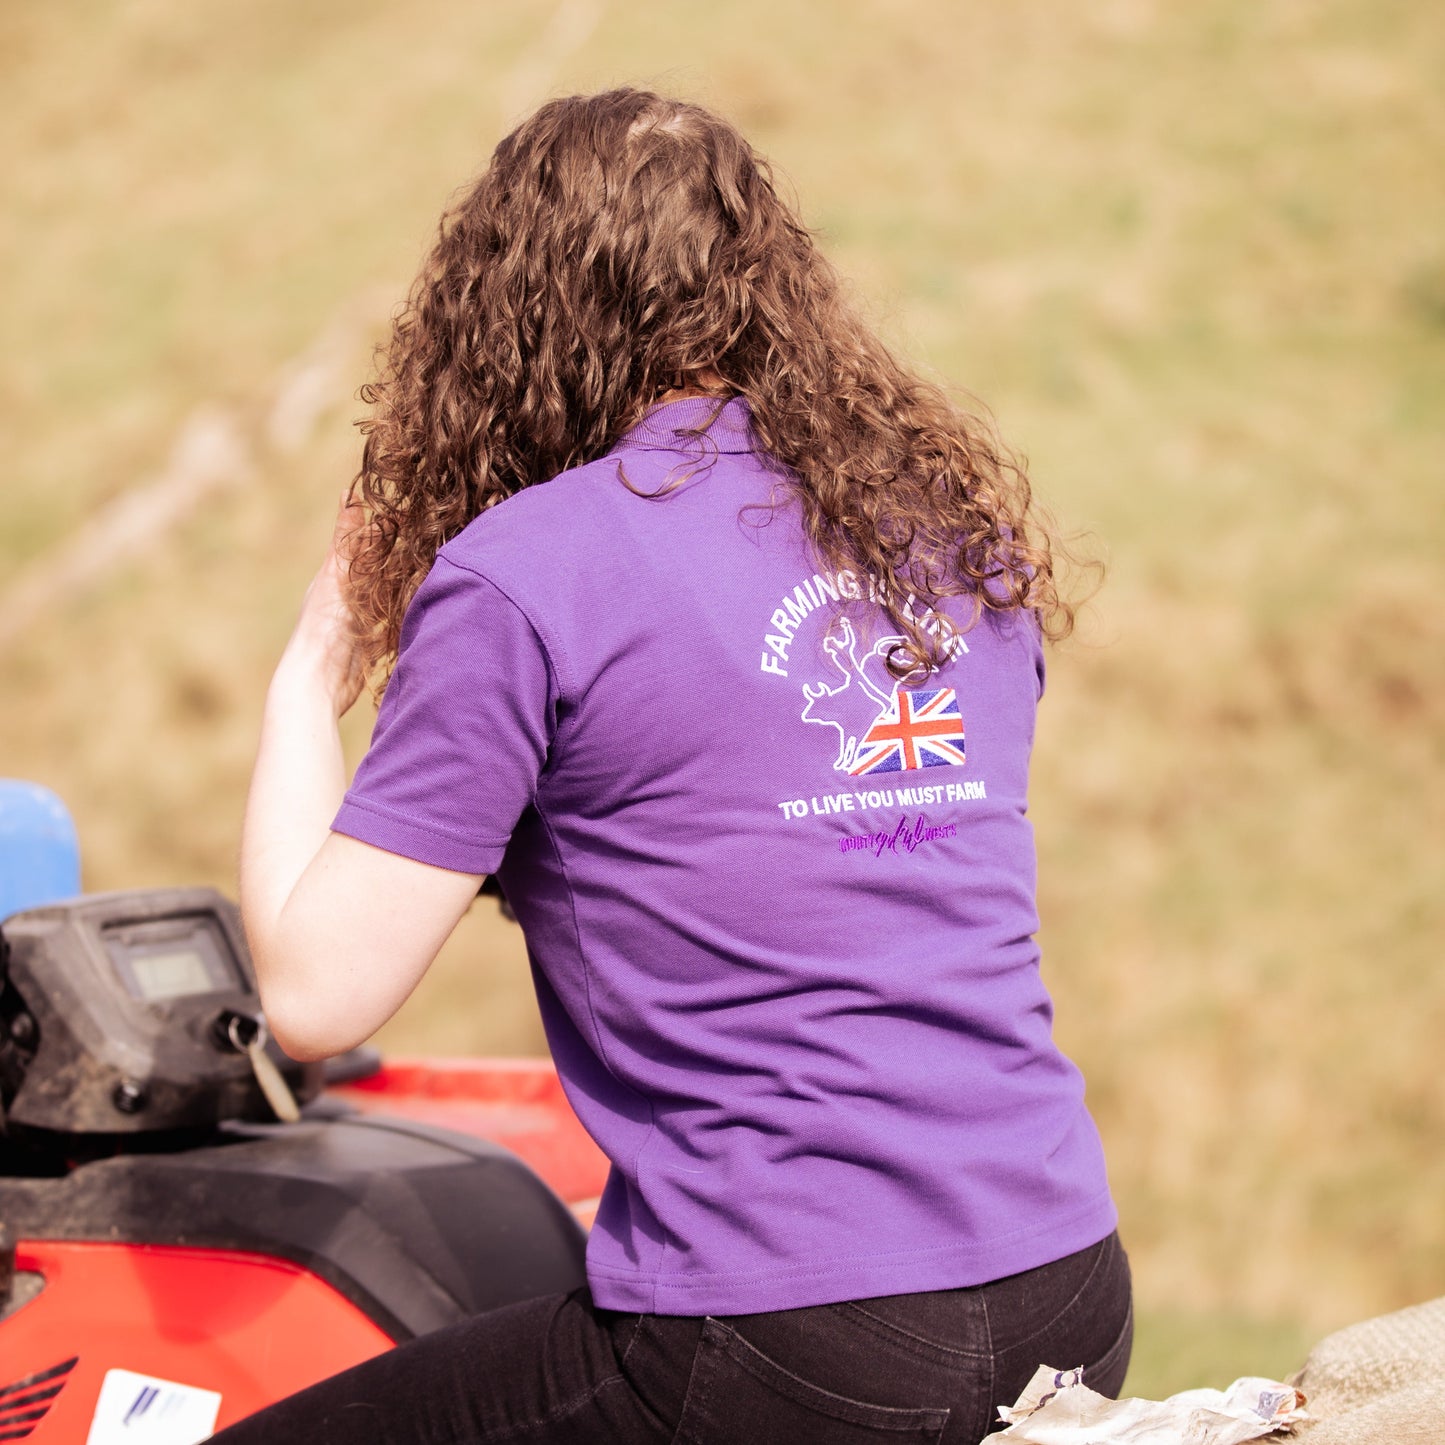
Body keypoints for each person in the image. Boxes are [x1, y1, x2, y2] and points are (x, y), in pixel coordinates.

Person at [220, 87, 1130, 1445]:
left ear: (512, 310)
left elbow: (310, 995)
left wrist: (310, 669)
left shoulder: (524, 575)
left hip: (793, 1341)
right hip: (1066, 1287)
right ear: (769, 284)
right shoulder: (946, 535)